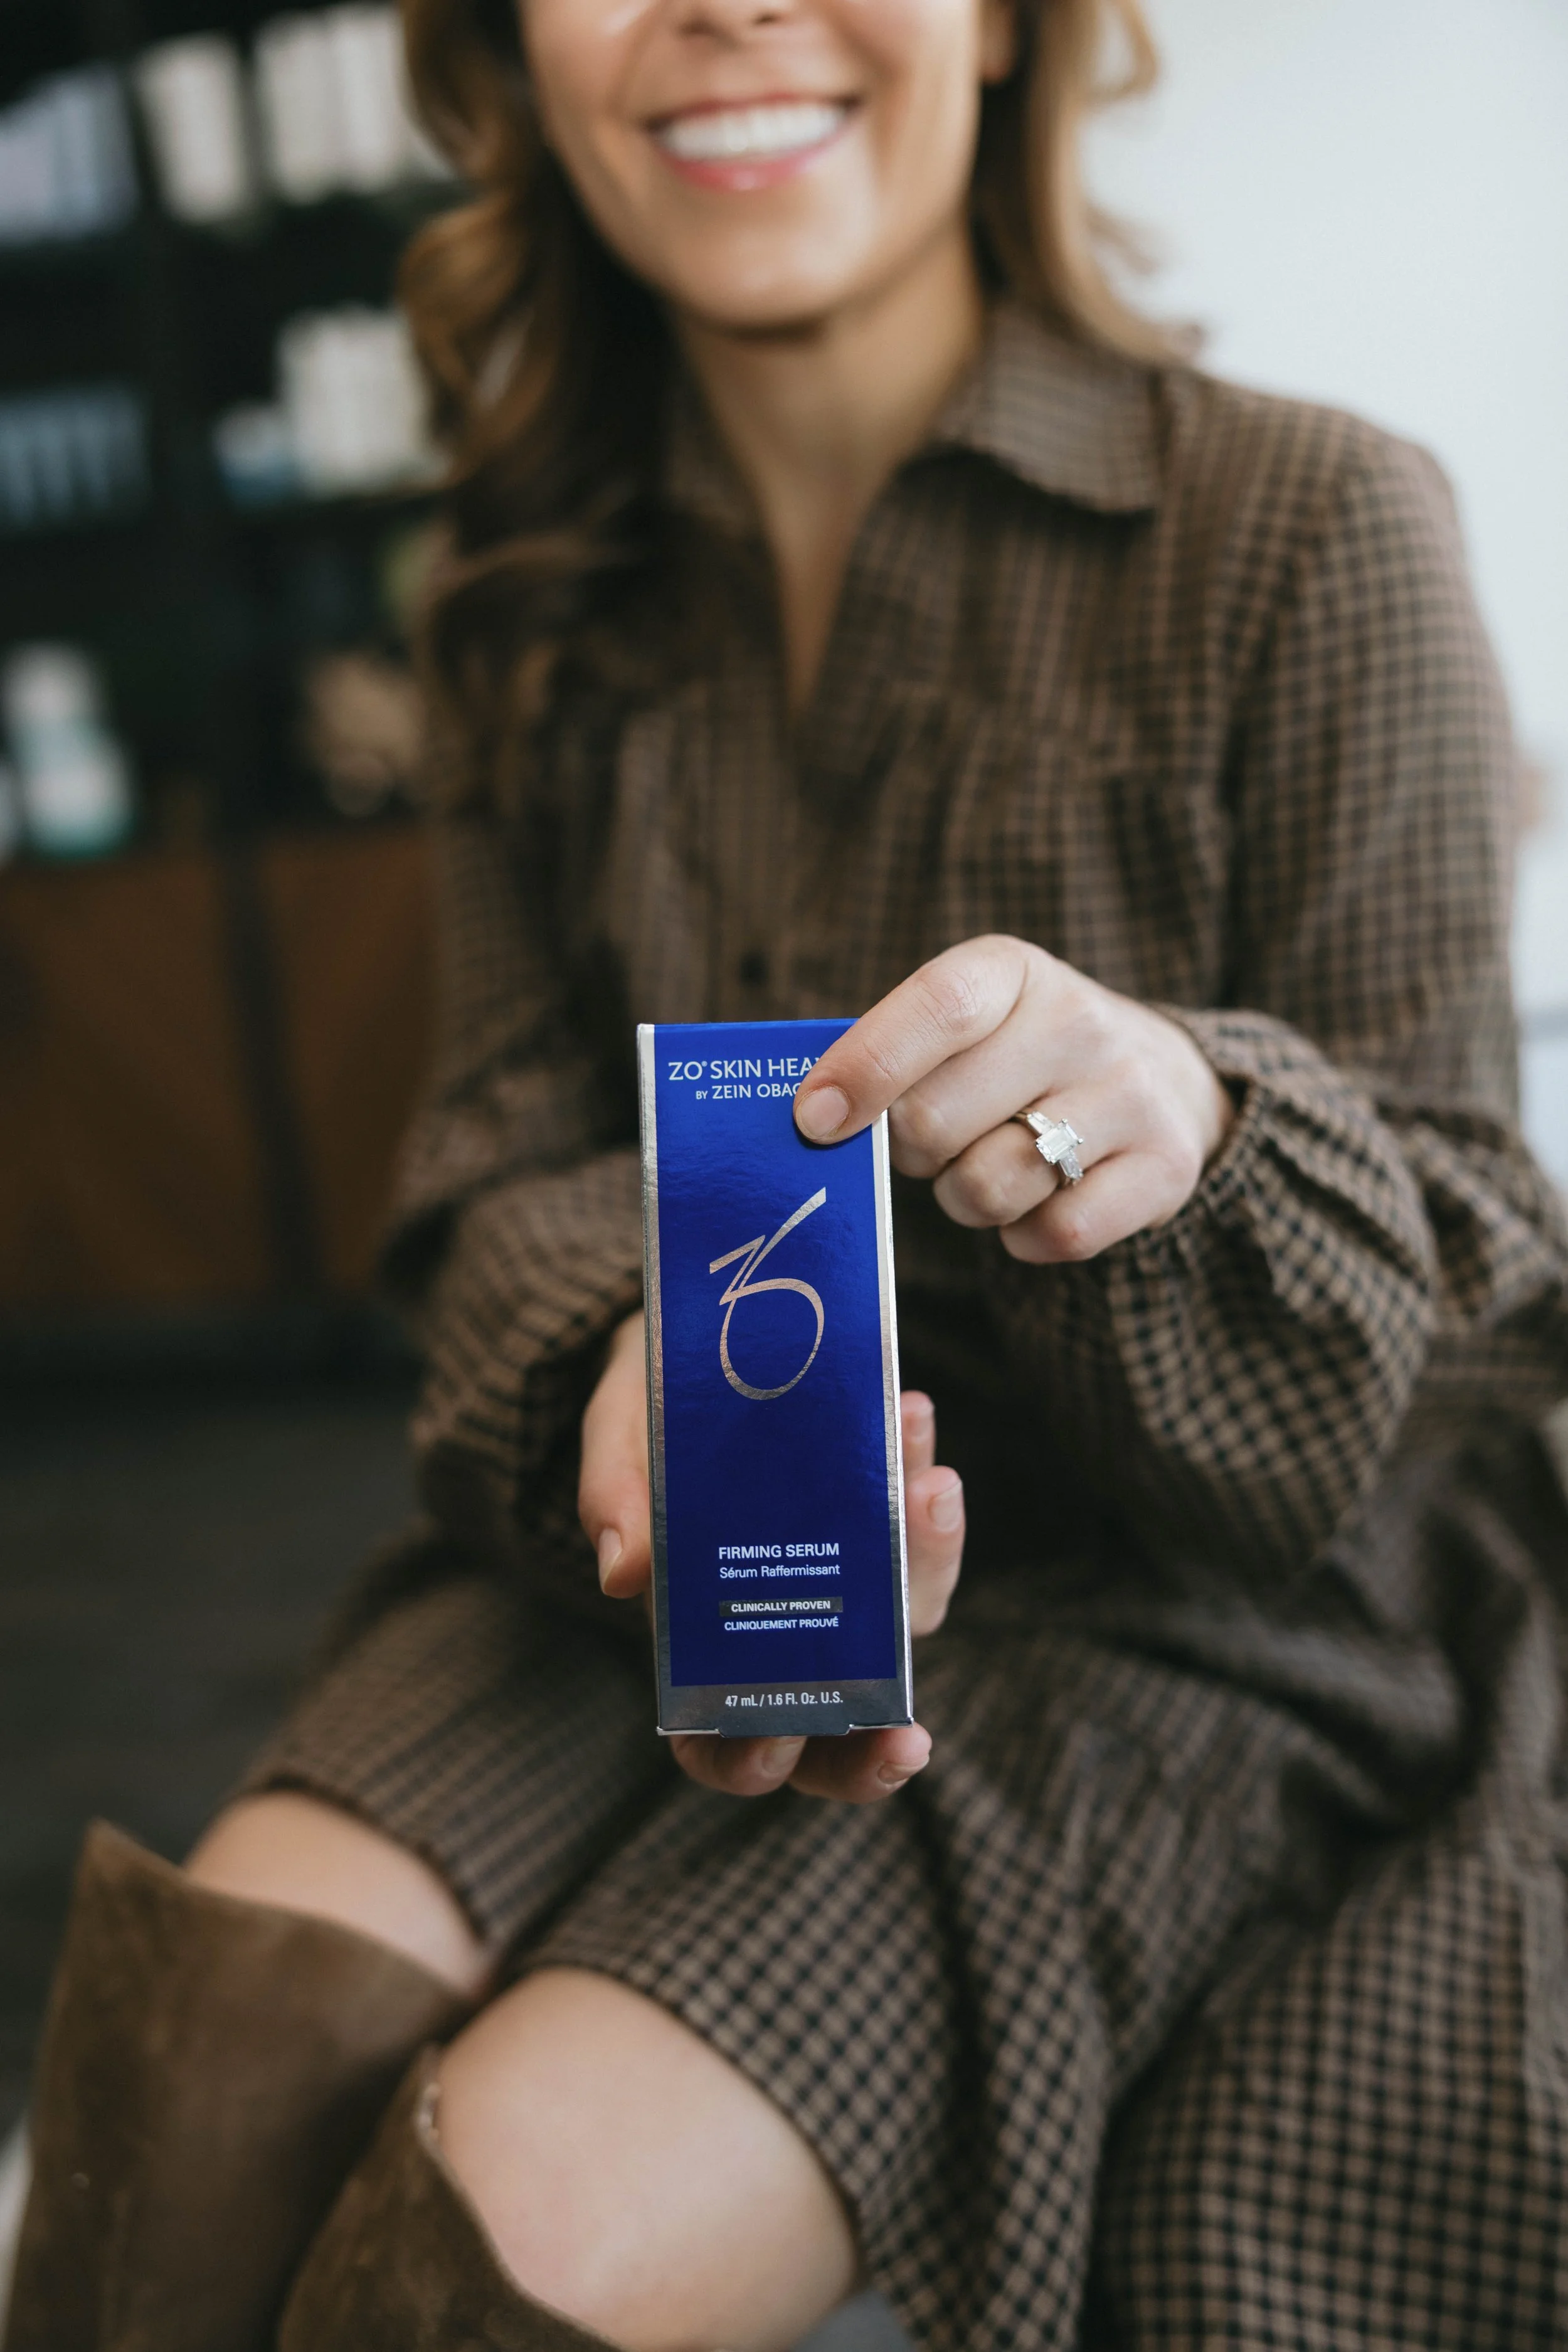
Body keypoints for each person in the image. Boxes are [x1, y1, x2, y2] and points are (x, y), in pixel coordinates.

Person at [9, 0, 1568, 2342]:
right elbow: (495, 1159)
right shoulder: (527, 601)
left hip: (1182, 1600)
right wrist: (614, 1380)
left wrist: (1205, 1135)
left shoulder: (1307, 522)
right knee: (180, 2090)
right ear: (511, 53)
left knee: (463, 2256)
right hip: (633, 1550)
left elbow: (1469, 1234)